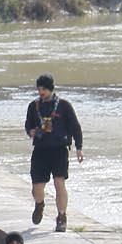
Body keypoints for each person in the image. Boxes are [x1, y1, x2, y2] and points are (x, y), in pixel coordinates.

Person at [23, 74, 83, 232]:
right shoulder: (33, 106)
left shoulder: (64, 106)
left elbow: (75, 127)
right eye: (39, 88)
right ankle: (39, 204)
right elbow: (28, 124)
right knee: (37, 186)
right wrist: (31, 131)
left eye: (43, 88)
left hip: (59, 149)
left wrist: (79, 148)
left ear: (50, 88)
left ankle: (61, 216)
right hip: (41, 150)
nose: (40, 91)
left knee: (59, 182)